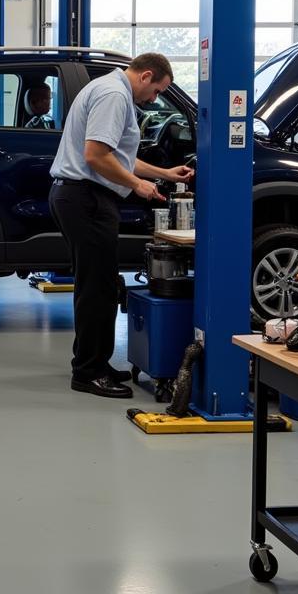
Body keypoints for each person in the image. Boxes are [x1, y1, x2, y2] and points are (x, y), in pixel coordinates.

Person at [49, 53, 194, 399]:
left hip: (81, 197)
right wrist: (137, 186)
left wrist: (163, 173)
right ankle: (87, 372)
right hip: (87, 199)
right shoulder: (115, 96)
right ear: (145, 76)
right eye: (157, 90)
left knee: (100, 283)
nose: (154, 99)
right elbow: (96, 156)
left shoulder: (109, 88)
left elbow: (118, 155)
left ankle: (94, 361)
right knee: (96, 288)